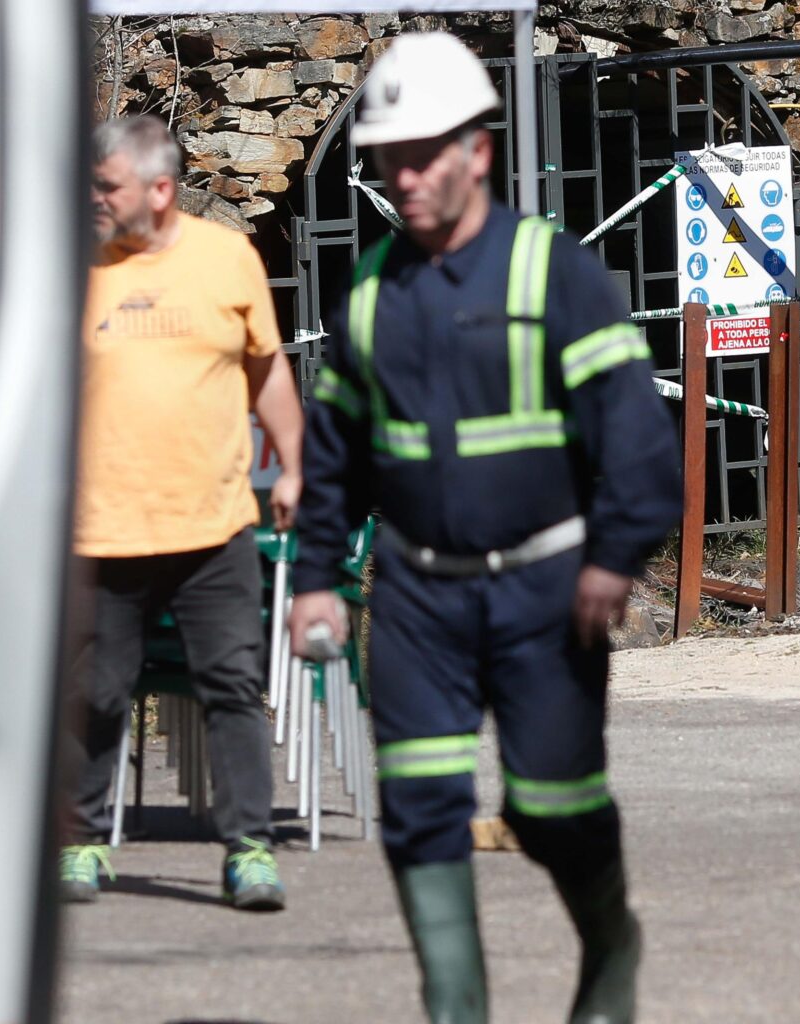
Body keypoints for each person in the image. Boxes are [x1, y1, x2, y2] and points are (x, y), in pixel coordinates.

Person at [286, 32, 681, 1024]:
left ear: (480, 153)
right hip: (418, 596)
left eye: (424, 154)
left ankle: (611, 945)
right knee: (419, 812)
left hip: (548, 591)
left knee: (551, 808)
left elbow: (638, 440)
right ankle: (456, 1008)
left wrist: (613, 559)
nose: (405, 175)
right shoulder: (369, 294)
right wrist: (316, 578)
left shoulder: (555, 274)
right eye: (388, 157)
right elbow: (333, 458)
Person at [59, 114, 303, 909]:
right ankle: (82, 842)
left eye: (108, 186)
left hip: (212, 524)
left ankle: (249, 851)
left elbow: (265, 372)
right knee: (94, 692)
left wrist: (295, 464)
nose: (92, 198)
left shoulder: (227, 259)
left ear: (160, 191)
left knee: (231, 686)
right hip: (101, 528)